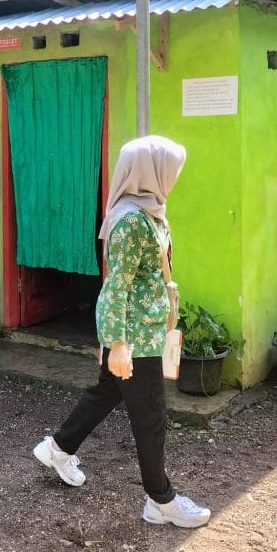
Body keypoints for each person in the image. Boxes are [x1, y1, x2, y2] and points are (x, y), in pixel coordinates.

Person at [32, 135, 211, 528]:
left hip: (140, 333)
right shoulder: (132, 221)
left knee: (105, 394)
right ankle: (160, 500)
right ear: (152, 171)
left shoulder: (149, 212)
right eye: (171, 169)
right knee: (151, 418)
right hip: (134, 338)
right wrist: (118, 345)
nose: (175, 177)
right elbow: (116, 287)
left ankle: (58, 448)